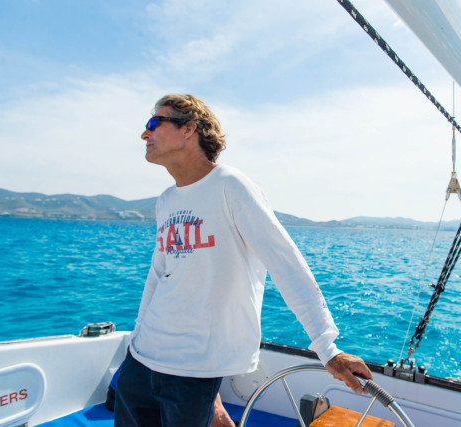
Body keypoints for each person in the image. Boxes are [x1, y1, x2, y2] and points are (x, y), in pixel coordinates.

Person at [114, 94, 373, 426]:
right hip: (140, 362)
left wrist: (327, 348)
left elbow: (286, 264)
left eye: (154, 123)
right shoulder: (166, 200)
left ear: (188, 129)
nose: (144, 134)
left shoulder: (231, 186)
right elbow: (158, 276)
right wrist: (135, 340)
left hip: (193, 372)